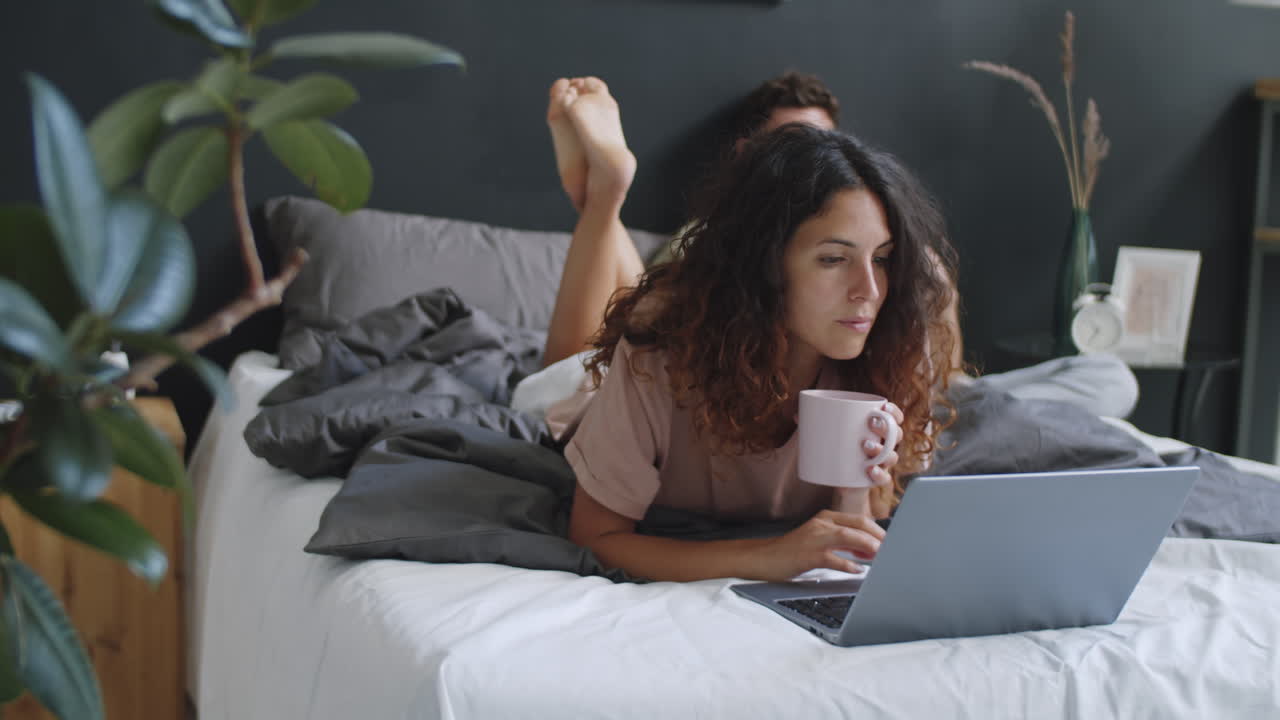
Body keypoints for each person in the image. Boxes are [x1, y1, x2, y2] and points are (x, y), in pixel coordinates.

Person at [560, 124, 960, 583]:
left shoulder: (894, 348)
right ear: (764, 265)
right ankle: (601, 198)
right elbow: (594, 537)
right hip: (582, 399)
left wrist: (858, 488)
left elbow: (864, 525)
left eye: (882, 259)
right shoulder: (656, 355)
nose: (868, 291)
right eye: (833, 259)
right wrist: (767, 556)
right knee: (565, 363)